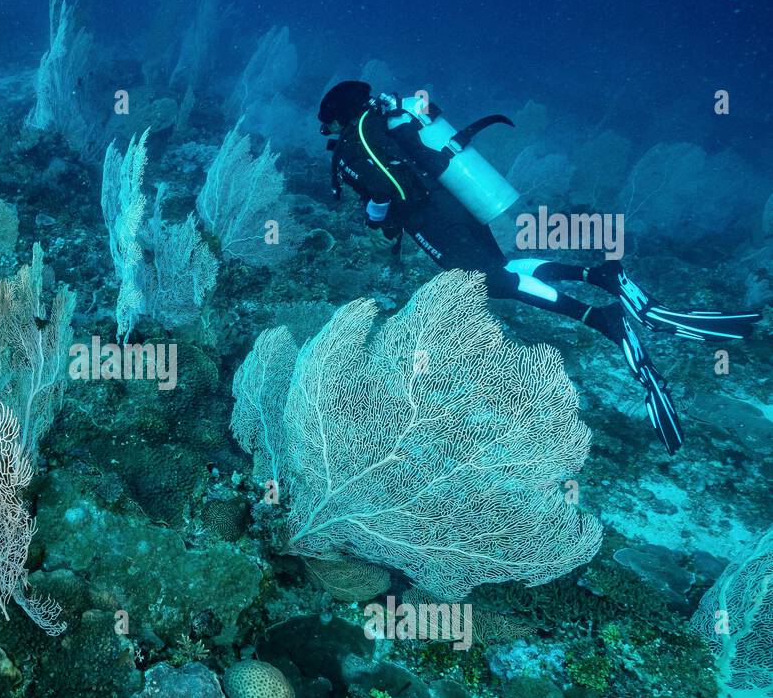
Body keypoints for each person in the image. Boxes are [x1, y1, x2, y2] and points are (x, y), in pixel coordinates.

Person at [318, 80, 761, 454]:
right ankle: (599, 277)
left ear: (339, 116)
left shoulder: (357, 141)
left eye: (329, 123)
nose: (329, 131)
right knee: (501, 269)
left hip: (432, 218)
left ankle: (602, 318)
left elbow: (387, 189)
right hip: (455, 204)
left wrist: (376, 219)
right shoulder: (383, 121)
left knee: (491, 281)